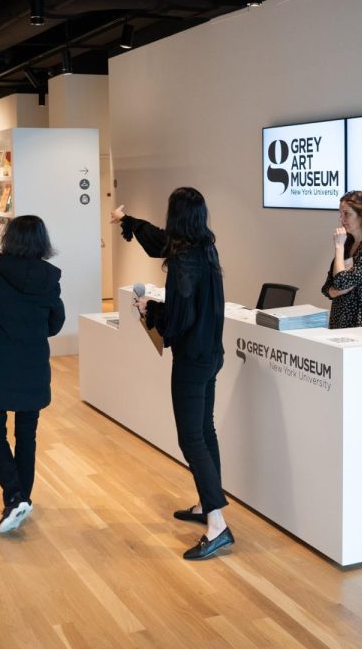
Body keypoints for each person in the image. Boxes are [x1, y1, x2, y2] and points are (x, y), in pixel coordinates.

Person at [112, 188, 233, 560]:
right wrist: (128, 222)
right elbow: (159, 240)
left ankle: (217, 524)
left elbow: (179, 321)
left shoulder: (184, 263)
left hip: (192, 360)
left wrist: (152, 309)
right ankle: (205, 503)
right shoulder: (204, 249)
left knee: (190, 438)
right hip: (212, 354)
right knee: (205, 429)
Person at [0, 216, 64, 534]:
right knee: (26, 435)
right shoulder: (49, 278)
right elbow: (54, 324)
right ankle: (22, 498)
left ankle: (14, 496)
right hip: (32, 366)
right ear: (41, 241)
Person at [321, 190, 362, 329]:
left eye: (347, 214)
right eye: (340, 214)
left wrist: (338, 246)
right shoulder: (348, 244)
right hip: (338, 323)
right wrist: (339, 290)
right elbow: (327, 287)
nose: (342, 219)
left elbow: (340, 282)